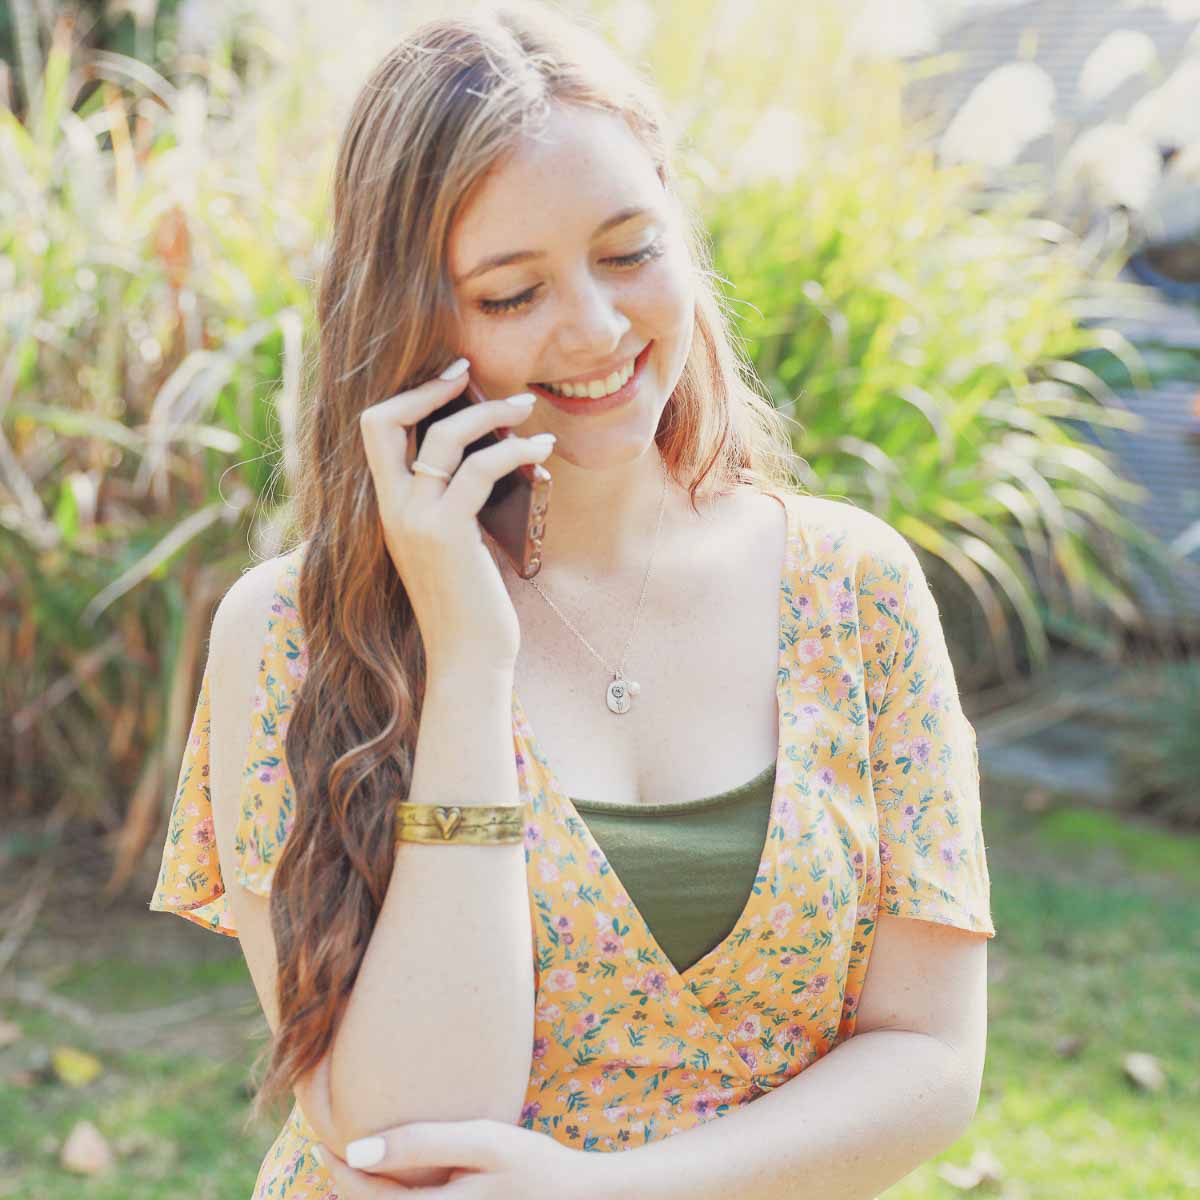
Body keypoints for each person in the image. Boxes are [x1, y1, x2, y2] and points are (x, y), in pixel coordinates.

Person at [149, 4, 996, 1198]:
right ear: (409, 320)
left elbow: (927, 1057)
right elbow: (408, 1134)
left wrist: (613, 1191)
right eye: (510, 295)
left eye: (629, 251)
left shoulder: (856, 592)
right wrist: (469, 660)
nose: (596, 330)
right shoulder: (294, 636)